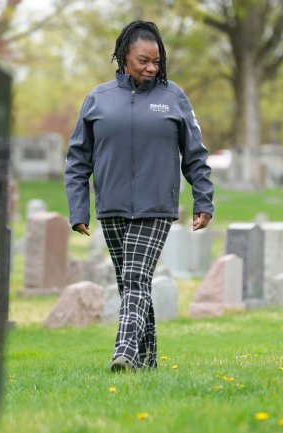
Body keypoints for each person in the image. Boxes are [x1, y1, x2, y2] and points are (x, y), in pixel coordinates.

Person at [64, 20, 215, 372]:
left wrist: (203, 200)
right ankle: (147, 363)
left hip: (156, 207)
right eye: (143, 60)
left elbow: (195, 154)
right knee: (135, 283)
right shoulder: (98, 99)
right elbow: (77, 159)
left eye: (156, 62)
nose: (151, 68)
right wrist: (78, 209)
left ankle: (124, 354)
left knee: (133, 279)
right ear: (123, 57)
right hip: (112, 207)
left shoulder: (173, 98)